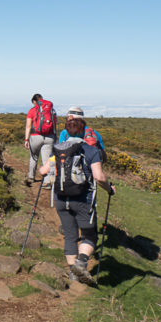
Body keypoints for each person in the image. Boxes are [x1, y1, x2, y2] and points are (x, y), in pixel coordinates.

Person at [39, 116, 115, 286]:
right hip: (83, 201)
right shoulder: (91, 150)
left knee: (70, 235)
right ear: (83, 131)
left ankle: (73, 275)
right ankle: (81, 263)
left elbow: (42, 171)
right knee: (89, 235)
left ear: (66, 131)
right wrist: (110, 189)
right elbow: (99, 177)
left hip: (60, 199)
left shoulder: (57, 149)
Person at [24, 94, 57, 186]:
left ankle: (31, 177)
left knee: (34, 157)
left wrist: (26, 139)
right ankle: (47, 182)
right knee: (47, 160)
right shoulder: (50, 110)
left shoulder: (32, 110)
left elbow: (28, 126)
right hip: (49, 137)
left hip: (35, 136)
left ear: (34, 101)